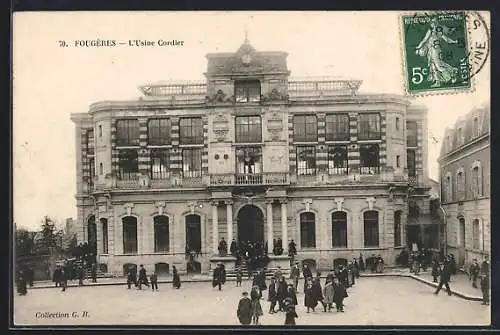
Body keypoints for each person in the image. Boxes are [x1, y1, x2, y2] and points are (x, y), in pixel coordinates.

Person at [415, 17, 459, 88]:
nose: (434, 24)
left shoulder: (439, 32)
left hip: (436, 51)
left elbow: (447, 39)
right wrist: (419, 47)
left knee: (439, 66)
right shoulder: (430, 31)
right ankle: (437, 82)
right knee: (433, 66)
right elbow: (424, 40)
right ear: (431, 24)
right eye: (432, 23)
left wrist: (454, 41)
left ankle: (453, 74)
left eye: (435, 23)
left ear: (437, 24)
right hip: (431, 50)